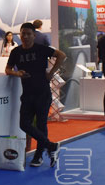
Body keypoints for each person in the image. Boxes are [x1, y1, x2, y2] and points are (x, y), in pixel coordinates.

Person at [5, 22, 66, 168]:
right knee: (23, 124)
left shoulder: (41, 49)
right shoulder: (16, 52)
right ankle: (51, 146)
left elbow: (61, 55)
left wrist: (51, 73)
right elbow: (7, 69)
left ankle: (38, 156)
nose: (25, 36)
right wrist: (17, 73)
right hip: (27, 94)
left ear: (34, 35)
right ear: (20, 35)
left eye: (28, 34)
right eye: (23, 34)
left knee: (41, 124)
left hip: (42, 93)